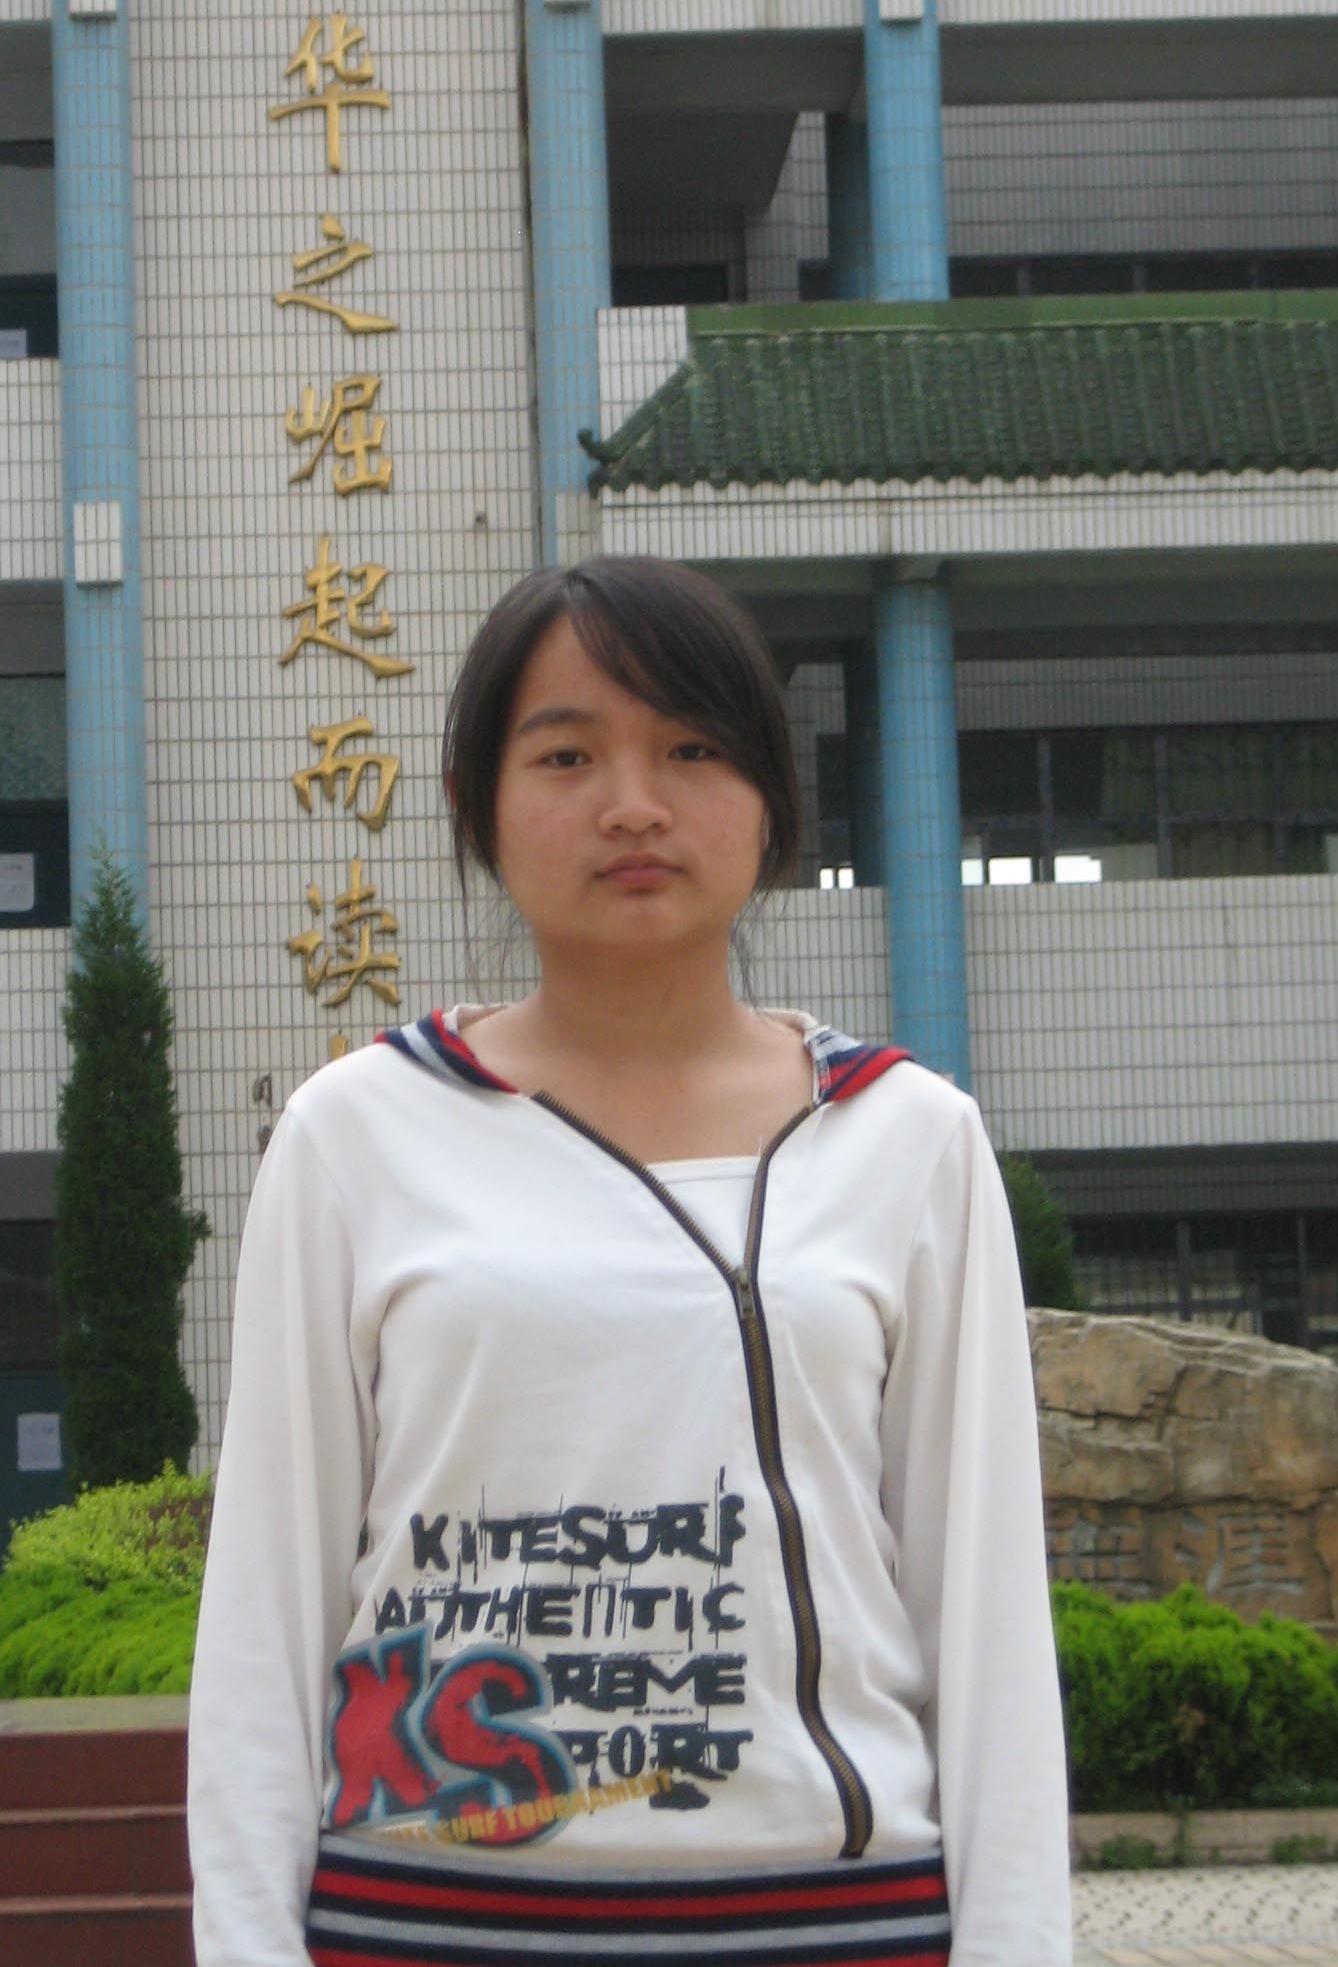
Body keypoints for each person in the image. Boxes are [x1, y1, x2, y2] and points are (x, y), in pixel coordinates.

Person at [188, 555, 1071, 1966]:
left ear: (772, 800)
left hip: (839, 1924)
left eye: (694, 750)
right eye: (567, 755)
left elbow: (987, 1614)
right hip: (430, 1924)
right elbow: (266, 1614)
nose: (635, 804)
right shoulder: (356, 1134)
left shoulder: (910, 1139)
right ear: (476, 806)